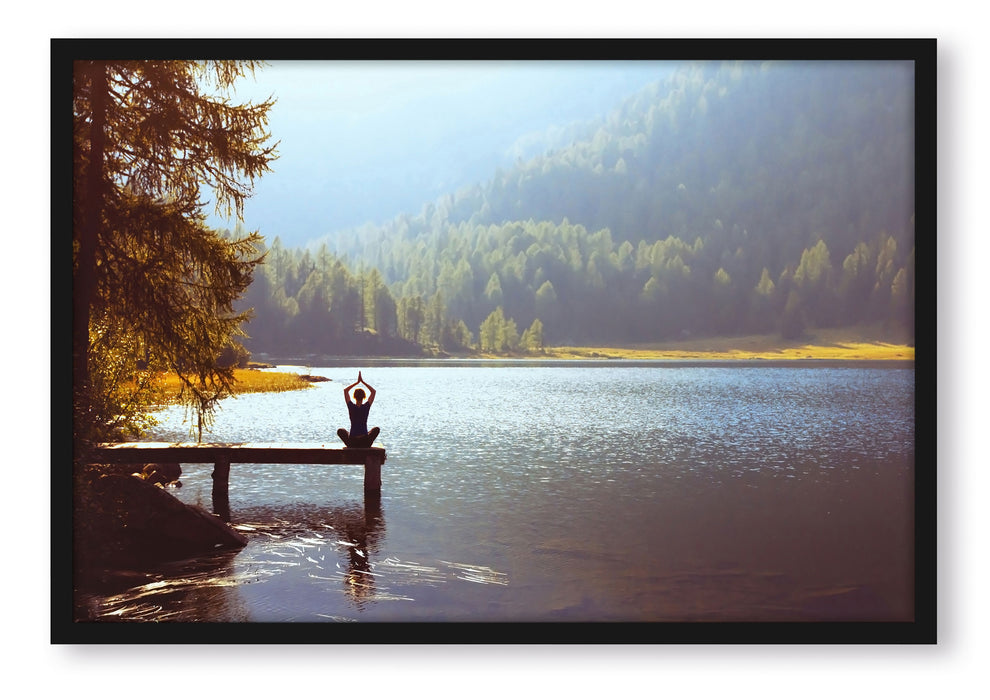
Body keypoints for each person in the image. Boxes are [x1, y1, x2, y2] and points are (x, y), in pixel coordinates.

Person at [337, 371, 380, 447]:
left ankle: (351, 445)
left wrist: (357, 382)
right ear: (364, 397)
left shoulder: (351, 406)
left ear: (354, 397)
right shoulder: (366, 407)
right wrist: (362, 382)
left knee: (340, 431)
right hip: (365, 442)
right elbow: (373, 392)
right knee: (376, 429)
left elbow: (345, 391)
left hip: (352, 442)